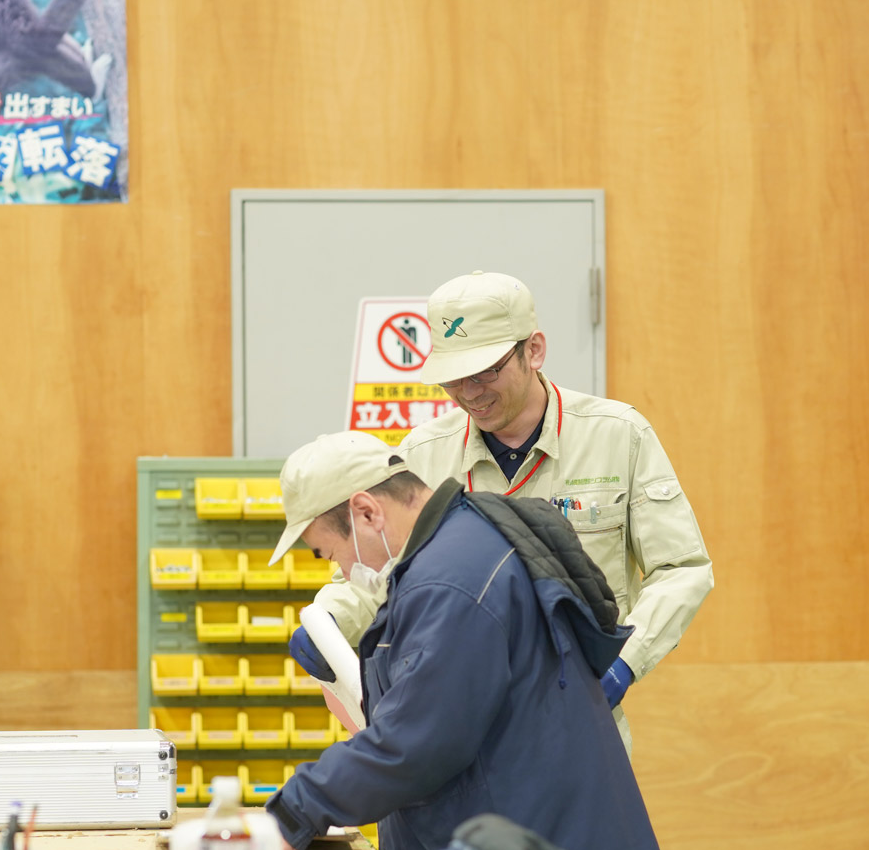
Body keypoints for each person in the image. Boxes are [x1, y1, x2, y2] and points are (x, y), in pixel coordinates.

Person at [262, 432, 689, 850]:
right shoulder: (466, 538)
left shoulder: (449, 582)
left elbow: (415, 744)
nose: (346, 573)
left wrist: (293, 811)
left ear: (367, 512)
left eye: (331, 553)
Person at [301, 271, 712, 754]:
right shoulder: (422, 456)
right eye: (453, 378)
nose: (469, 392)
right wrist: (328, 621)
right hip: (459, 735)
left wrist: (625, 664)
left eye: (485, 372)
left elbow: (682, 568)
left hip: (580, 732)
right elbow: (380, 577)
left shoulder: (618, 436)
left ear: (533, 350)